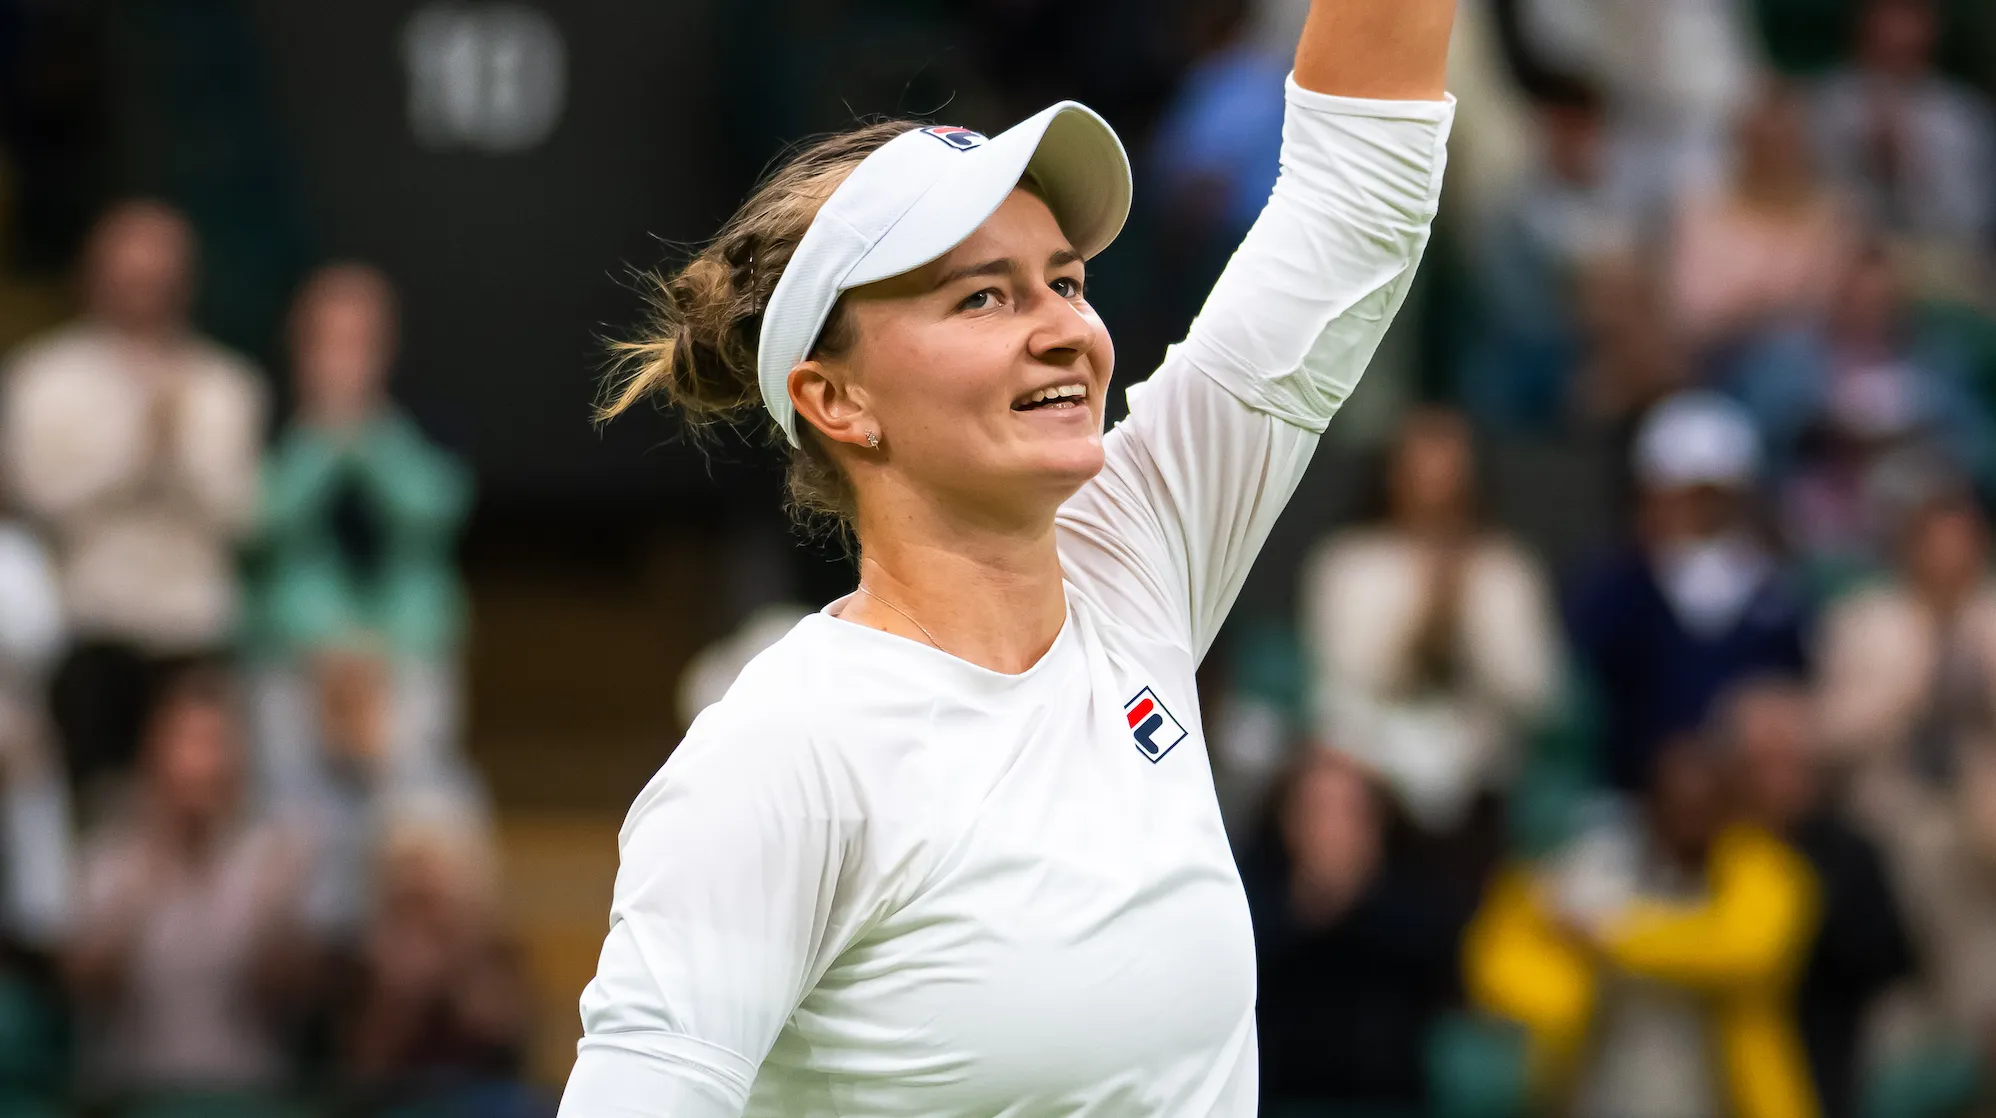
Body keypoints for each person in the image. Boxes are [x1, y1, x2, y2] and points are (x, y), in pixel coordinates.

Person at [560, 1, 1457, 1114]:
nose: (1061, 328)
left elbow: (1354, 202)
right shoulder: (783, 753)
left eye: (1066, 281)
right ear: (835, 398)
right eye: (981, 294)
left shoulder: (1133, 561)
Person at [247, 262, 482, 941]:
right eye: (327, 338)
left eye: (360, 338)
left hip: (406, 650)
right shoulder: (268, 412)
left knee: (414, 804)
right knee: (296, 820)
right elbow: (265, 524)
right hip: (297, 656)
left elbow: (433, 513)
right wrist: (323, 433)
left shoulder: (426, 413)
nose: (344, 355)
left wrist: (365, 428)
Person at [0, 200, 265, 796]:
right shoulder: (42, 378)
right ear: (94, 277)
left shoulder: (225, 385)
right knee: (91, 806)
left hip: (193, 626)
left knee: (196, 799)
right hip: (90, 625)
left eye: (158, 279)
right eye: (129, 277)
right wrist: (134, 452)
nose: (143, 292)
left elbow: (241, 515)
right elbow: (35, 498)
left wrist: (179, 455)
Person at [1465, 736, 1821, 1118]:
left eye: (1703, 808)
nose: (1689, 822)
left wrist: (1609, 934)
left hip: (1722, 1100)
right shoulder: (1603, 864)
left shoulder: (1765, 872)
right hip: (1600, 1088)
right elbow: (1507, 947)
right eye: (1676, 806)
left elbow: (1743, 950)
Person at [1298, 408, 1559, 835]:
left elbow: (1536, 691)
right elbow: (1338, 683)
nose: (1436, 481)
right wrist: (1422, 619)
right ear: (1392, 471)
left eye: (1450, 465)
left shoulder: (1505, 568)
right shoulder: (1347, 564)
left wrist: (1465, 619)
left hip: (1482, 781)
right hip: (1371, 777)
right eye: (1421, 462)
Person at [64, 666, 315, 1106]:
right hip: (135, 1095)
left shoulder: (272, 860)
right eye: (185, 743)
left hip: (246, 1094)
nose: (199, 764)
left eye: (215, 744)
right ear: (153, 754)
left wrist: (274, 914)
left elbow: (291, 1003)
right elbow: (86, 994)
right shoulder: (110, 857)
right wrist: (144, 880)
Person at [1567, 390, 1812, 793]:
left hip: (1750, 792)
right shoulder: (1620, 582)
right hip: (1635, 789)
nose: (1702, 511)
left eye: (1714, 496)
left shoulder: (1774, 590)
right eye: (1689, 494)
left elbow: (1793, 681)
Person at [1816, 489, 1996, 1033]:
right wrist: (1906, 689)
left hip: (1982, 836)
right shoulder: (1863, 621)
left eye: (1962, 546)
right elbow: (1828, 736)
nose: (1949, 560)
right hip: (1892, 822)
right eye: (1936, 546)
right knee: (1901, 1012)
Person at [1717, 678, 1917, 1118]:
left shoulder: (1849, 852)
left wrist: (1811, 917)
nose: (1784, 781)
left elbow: (1895, 959)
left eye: (1797, 764)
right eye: (1766, 764)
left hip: (1822, 1040)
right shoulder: (1707, 843)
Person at [1247, 748, 1475, 1117]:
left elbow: (1441, 974)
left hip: (1388, 1099)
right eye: (1316, 812)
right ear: (1287, 820)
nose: (1332, 829)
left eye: (1349, 813)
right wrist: (1307, 909)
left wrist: (1358, 897)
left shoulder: (1414, 892)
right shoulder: (1254, 892)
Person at [1667, 81, 1857, 366]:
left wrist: (1767, 304)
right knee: (1786, 353)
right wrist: (1764, 310)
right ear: (1742, 143)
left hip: (1824, 358)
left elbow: (1843, 304)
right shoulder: (1702, 213)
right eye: (1763, 143)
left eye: (1785, 142)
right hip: (1723, 358)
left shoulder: (1833, 217)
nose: (1774, 155)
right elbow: (1691, 313)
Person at [1812, 0, 1995, 280]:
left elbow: (1971, 223)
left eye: (1910, 16)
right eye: (1888, 14)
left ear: (1931, 29)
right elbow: (1813, 201)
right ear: (1865, 24)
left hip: (1940, 264)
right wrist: (1871, 162)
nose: (1898, 31)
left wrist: (1912, 165)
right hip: (1844, 265)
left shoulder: (1961, 116)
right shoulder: (1828, 106)